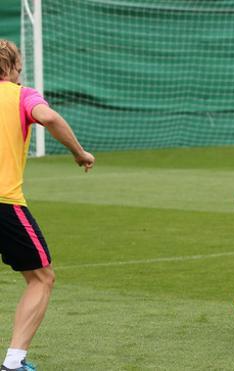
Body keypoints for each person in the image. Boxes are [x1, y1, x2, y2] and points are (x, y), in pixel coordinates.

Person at [0, 40, 95, 371]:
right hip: (4, 204)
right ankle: (14, 361)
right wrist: (79, 152)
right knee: (41, 278)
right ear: (12, 68)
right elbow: (49, 116)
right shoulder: (21, 95)